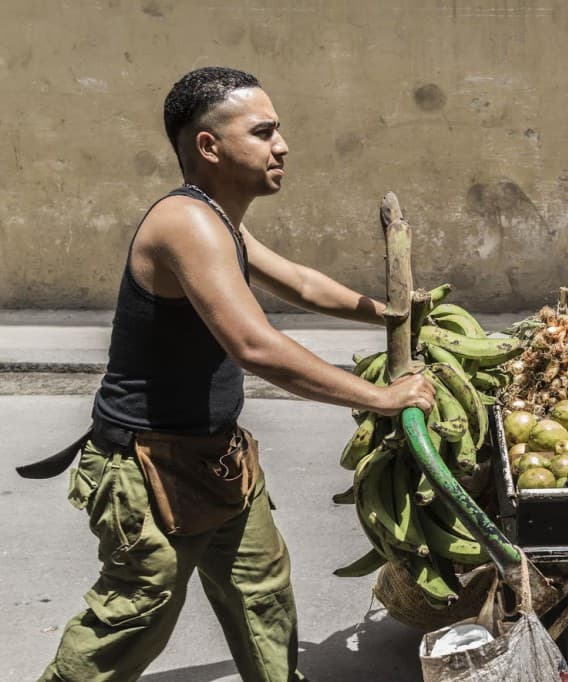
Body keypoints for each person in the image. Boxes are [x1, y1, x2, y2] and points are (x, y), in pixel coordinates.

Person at [25, 66, 435, 682]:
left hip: (219, 461)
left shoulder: (221, 219)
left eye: (279, 129)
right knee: (134, 618)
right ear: (209, 146)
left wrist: (384, 312)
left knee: (261, 595)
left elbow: (296, 281)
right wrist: (382, 397)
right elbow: (255, 347)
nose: (283, 145)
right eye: (264, 131)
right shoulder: (184, 223)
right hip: (148, 469)